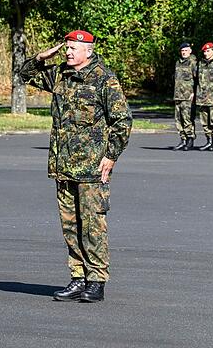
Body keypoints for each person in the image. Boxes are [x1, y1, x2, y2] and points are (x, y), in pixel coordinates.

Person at [20, 30, 132, 303]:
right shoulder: (60, 75)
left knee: (92, 224)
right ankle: (77, 277)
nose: (68, 52)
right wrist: (39, 58)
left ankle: (96, 281)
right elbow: (24, 76)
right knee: (70, 226)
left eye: (73, 48)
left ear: (88, 51)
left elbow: (122, 120)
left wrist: (111, 156)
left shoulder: (104, 79)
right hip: (63, 165)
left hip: (93, 167)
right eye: (67, 48)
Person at [195, 42, 213, 151]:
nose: (206, 53)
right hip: (202, 97)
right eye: (205, 51)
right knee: (204, 121)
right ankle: (209, 140)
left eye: (208, 51)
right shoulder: (201, 63)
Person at [173, 42, 197, 151]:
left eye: (186, 50)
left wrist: (194, 93)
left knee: (187, 119)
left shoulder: (193, 62)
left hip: (188, 96)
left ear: (190, 51)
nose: (184, 52)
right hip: (178, 95)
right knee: (178, 119)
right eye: (182, 51)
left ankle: (190, 139)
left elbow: (198, 79)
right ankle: (182, 139)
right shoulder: (178, 62)